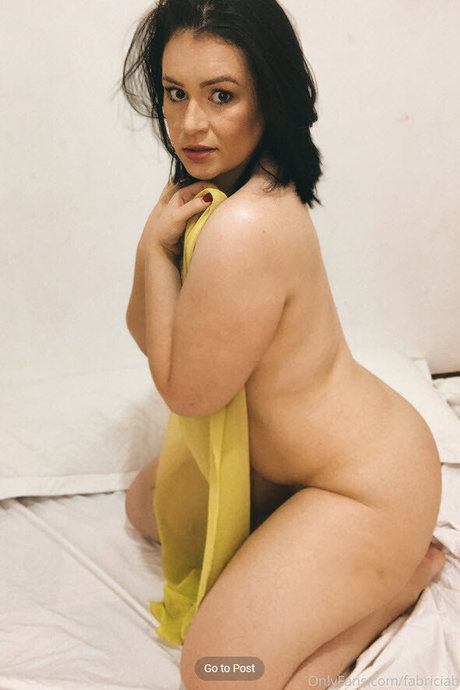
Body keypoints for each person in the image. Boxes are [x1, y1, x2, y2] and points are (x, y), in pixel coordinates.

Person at [121, 0, 445, 687]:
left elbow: (187, 392)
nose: (190, 124)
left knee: (217, 671)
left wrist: (152, 249)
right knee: (144, 508)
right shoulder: (208, 180)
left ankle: (394, 587)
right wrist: (157, 249)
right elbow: (145, 328)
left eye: (221, 96)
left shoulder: (248, 226)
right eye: (175, 93)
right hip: (283, 470)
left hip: (365, 486)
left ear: (267, 97)